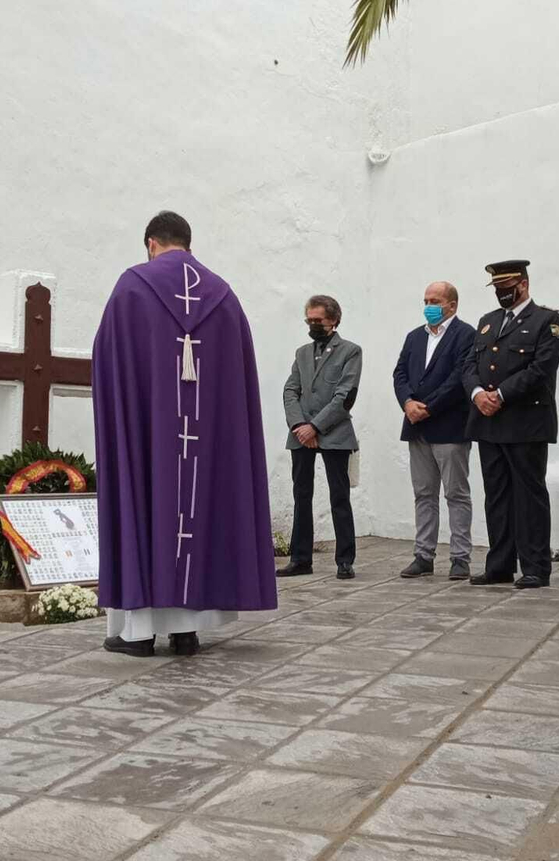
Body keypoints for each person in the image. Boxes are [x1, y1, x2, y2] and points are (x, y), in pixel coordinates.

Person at [91, 211, 277, 656]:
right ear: (188, 245)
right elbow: (239, 383)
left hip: (152, 436)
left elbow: (108, 361)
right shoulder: (224, 296)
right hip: (206, 440)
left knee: (150, 501)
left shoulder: (133, 287)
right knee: (198, 506)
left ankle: (138, 634)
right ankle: (187, 630)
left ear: (151, 243)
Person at [462, 260, 559, 589]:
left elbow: (541, 368)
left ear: (523, 284)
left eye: (506, 288)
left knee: (529, 495)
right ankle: (500, 565)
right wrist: (478, 394)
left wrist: (501, 395)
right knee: (497, 495)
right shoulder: (487, 322)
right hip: (488, 423)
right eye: (497, 289)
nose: (501, 294)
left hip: (525, 421)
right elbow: (469, 365)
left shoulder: (547, 320)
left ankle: (535, 566)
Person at [392, 281, 476, 580]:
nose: (429, 305)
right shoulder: (415, 337)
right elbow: (400, 373)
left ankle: (460, 557)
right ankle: (423, 554)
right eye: (426, 299)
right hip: (417, 427)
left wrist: (428, 406)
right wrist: (407, 403)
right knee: (424, 494)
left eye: (435, 300)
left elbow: (459, 377)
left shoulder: (466, 334)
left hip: (450, 426)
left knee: (456, 494)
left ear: (451, 305)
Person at [278, 295, 363, 579]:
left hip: (334, 432)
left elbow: (345, 395)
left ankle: (345, 560)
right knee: (301, 495)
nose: (313, 325)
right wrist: (300, 425)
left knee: (339, 497)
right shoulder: (302, 352)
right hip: (301, 434)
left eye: (319, 321)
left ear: (334, 320)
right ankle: (300, 559)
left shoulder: (350, 351)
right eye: (310, 320)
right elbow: (291, 390)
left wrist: (316, 427)